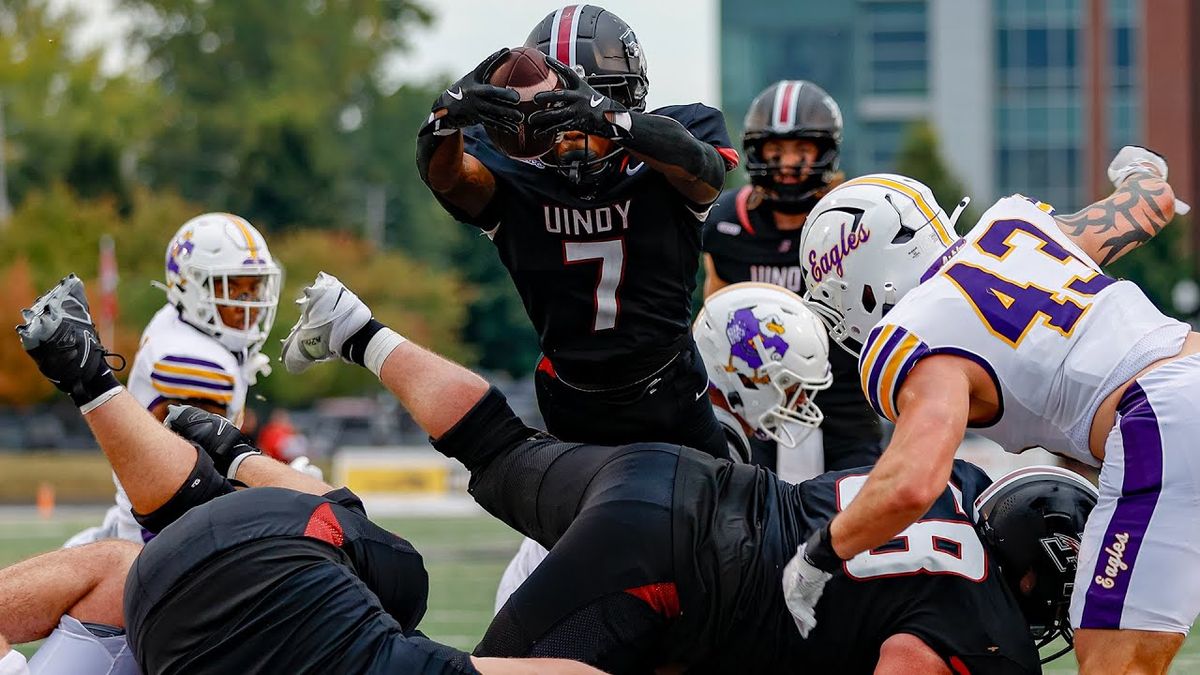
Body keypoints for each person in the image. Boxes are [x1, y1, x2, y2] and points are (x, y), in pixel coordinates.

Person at [271, 270, 1102, 673]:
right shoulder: (984, 627)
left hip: (668, 480)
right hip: (669, 573)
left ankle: (359, 331)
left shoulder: (952, 478)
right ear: (1042, 573)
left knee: (500, 448)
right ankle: (304, 645)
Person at [15, 275, 601, 675]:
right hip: (195, 597)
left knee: (135, 554)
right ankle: (191, 433)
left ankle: (136, 403)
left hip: (217, 584)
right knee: (151, 550)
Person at [788, 148, 1195, 673]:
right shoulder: (1014, 225)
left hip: (1163, 418)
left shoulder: (910, 335)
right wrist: (1141, 171)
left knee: (1113, 665)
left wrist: (816, 556)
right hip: (1189, 371)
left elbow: (911, 485)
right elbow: (1150, 202)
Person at [416, 4, 739, 459]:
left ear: (623, 101)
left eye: (578, 113)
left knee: (724, 520)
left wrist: (607, 118)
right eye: (553, 117)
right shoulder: (508, 169)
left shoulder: (676, 136)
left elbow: (703, 169)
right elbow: (447, 177)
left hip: (671, 388)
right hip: (570, 396)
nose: (570, 132)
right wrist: (443, 117)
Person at [66, 212, 282, 548]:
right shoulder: (195, 362)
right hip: (164, 540)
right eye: (233, 287)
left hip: (163, 518)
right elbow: (204, 480)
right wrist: (283, 485)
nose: (249, 304)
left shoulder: (179, 321)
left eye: (254, 287)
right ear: (192, 287)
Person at [702, 81, 881, 477]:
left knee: (856, 497)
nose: (788, 164)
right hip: (754, 393)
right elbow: (711, 315)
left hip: (842, 390)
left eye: (802, 151)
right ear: (756, 152)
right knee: (743, 499)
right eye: (776, 151)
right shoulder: (726, 222)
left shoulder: (853, 222)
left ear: (826, 152)